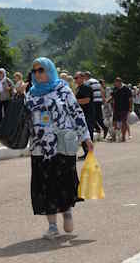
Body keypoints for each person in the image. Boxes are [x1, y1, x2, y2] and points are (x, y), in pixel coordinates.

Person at [25, 57, 92, 240]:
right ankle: (52, 226)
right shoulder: (30, 93)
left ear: (49, 70)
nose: (37, 74)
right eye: (35, 71)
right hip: (40, 147)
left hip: (62, 144)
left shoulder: (63, 89)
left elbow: (76, 112)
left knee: (63, 182)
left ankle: (67, 211)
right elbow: (25, 119)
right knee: (45, 185)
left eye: (41, 70)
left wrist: (85, 137)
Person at [75, 73, 95, 155]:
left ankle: (89, 153)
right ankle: (86, 152)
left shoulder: (86, 87)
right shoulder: (79, 88)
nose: (75, 79)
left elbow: (87, 100)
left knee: (88, 133)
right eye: (74, 78)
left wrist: (74, 102)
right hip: (82, 113)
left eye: (77, 78)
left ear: (82, 78)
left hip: (88, 113)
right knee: (82, 132)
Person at [86, 72, 108, 140]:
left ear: (87, 76)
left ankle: (99, 129)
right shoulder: (97, 81)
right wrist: (103, 99)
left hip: (93, 101)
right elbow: (102, 90)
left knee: (91, 117)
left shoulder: (88, 82)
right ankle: (102, 128)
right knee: (98, 117)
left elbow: (87, 91)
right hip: (99, 101)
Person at [110, 77, 132, 142]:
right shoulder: (115, 89)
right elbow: (112, 97)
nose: (115, 84)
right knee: (114, 122)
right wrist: (107, 101)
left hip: (124, 108)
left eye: (116, 82)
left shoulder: (126, 89)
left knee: (124, 122)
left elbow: (130, 99)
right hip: (116, 108)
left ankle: (123, 136)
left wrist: (130, 108)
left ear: (119, 82)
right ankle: (114, 136)